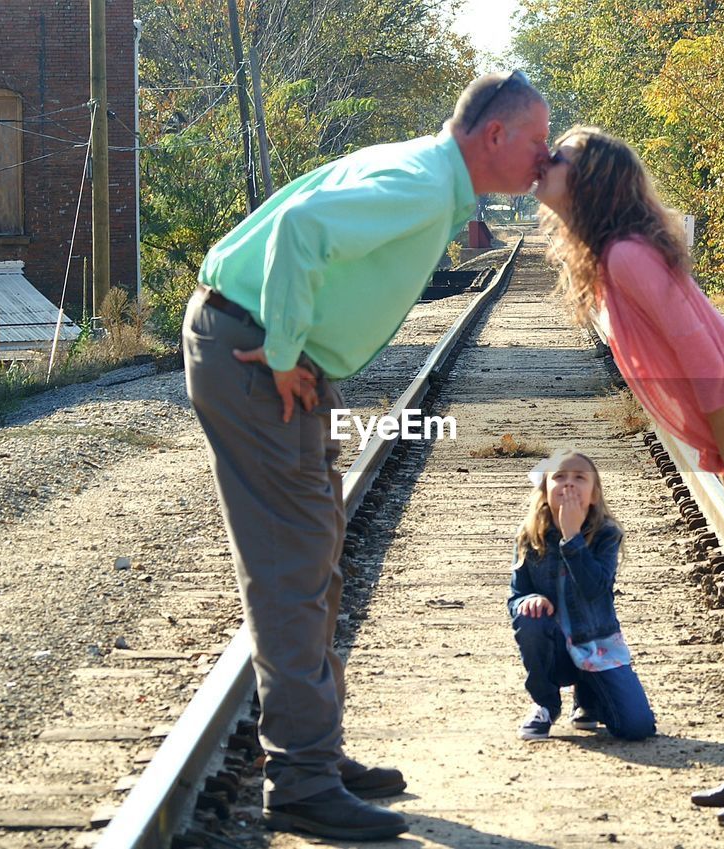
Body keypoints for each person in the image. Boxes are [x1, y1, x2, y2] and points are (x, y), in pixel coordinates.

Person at [183, 71, 550, 842]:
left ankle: (317, 752)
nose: (542, 158)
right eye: (537, 142)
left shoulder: (425, 177)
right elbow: (303, 229)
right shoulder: (421, 185)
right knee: (291, 561)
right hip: (256, 352)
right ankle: (304, 777)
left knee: (314, 549)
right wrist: (283, 350)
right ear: (494, 137)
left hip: (271, 350)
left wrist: (300, 353)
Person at [534, 127, 724, 826]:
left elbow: (704, 362)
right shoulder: (609, 256)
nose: (544, 164)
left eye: (560, 159)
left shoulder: (626, 256)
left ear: (591, 183)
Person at [508, 449, 656, 743]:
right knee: (529, 618)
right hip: (555, 649)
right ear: (545, 491)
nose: (569, 484)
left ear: (594, 494)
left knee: (637, 729)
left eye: (580, 477)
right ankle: (546, 705)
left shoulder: (606, 535)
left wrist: (573, 538)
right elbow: (516, 597)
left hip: (596, 647)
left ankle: (589, 696)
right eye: (559, 477)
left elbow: (594, 589)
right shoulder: (529, 536)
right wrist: (528, 601)